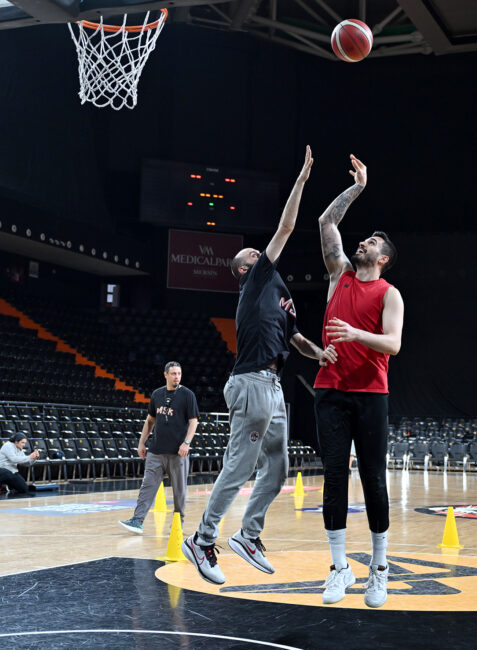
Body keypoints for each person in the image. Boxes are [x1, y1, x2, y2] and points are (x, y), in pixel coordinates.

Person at [183, 146, 335, 586]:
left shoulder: (278, 295)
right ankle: (203, 538)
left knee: (278, 466)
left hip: (273, 385)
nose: (261, 253)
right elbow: (287, 226)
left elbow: (296, 339)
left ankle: (249, 536)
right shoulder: (256, 280)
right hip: (251, 382)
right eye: (255, 252)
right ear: (247, 267)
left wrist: (319, 352)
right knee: (240, 467)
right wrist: (302, 179)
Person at [314, 154, 405, 609]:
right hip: (330, 390)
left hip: (371, 394)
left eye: (371, 242)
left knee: (373, 480)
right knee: (333, 477)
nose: (363, 242)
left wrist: (354, 335)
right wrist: (358, 188)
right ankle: (339, 568)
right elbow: (325, 220)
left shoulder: (389, 293)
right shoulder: (339, 275)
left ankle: (380, 569)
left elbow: (393, 345)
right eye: (364, 238)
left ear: (382, 258)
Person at [119, 361, 199, 534]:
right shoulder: (157, 394)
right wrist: (141, 443)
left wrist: (187, 443)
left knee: (179, 492)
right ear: (166, 375)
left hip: (178, 453)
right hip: (155, 451)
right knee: (147, 487)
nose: (176, 376)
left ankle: (178, 524)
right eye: (173, 373)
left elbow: (194, 422)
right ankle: (137, 521)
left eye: (179, 373)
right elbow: (150, 421)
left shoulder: (187, 395)